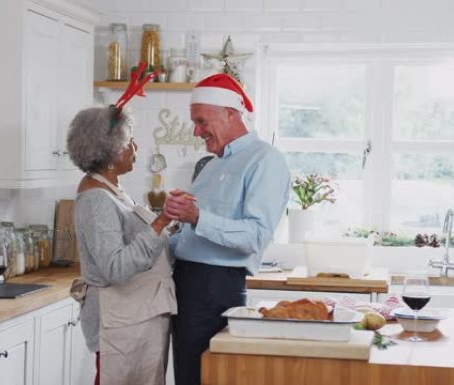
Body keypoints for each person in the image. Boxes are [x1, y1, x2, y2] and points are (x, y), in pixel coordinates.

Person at [164, 74, 291, 385]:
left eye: (201, 121)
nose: (196, 131)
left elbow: (255, 236)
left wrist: (196, 217)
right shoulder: (213, 163)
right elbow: (193, 233)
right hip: (191, 284)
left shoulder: (265, 159)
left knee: (202, 378)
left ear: (230, 114)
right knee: (188, 377)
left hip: (213, 288)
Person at [67, 105, 176, 385]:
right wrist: (160, 222)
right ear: (111, 152)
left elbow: (140, 245)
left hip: (135, 317)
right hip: (119, 321)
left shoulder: (112, 190)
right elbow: (115, 268)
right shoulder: (96, 200)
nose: (135, 146)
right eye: (129, 142)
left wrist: (173, 223)